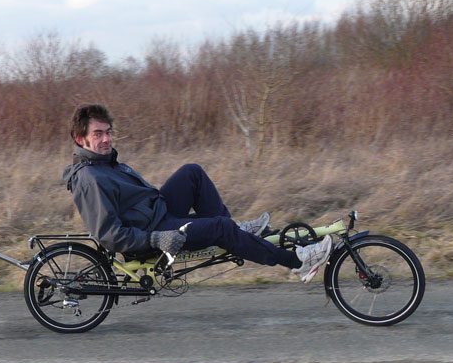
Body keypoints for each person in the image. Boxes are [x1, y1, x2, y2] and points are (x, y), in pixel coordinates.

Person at [63, 104, 333, 283]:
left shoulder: (103, 163)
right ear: (80, 138)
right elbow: (109, 235)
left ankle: (236, 233)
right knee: (221, 227)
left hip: (156, 212)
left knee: (192, 172)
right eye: (98, 134)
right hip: (152, 231)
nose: (107, 139)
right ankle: (297, 261)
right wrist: (156, 238)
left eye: (108, 132)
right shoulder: (89, 179)